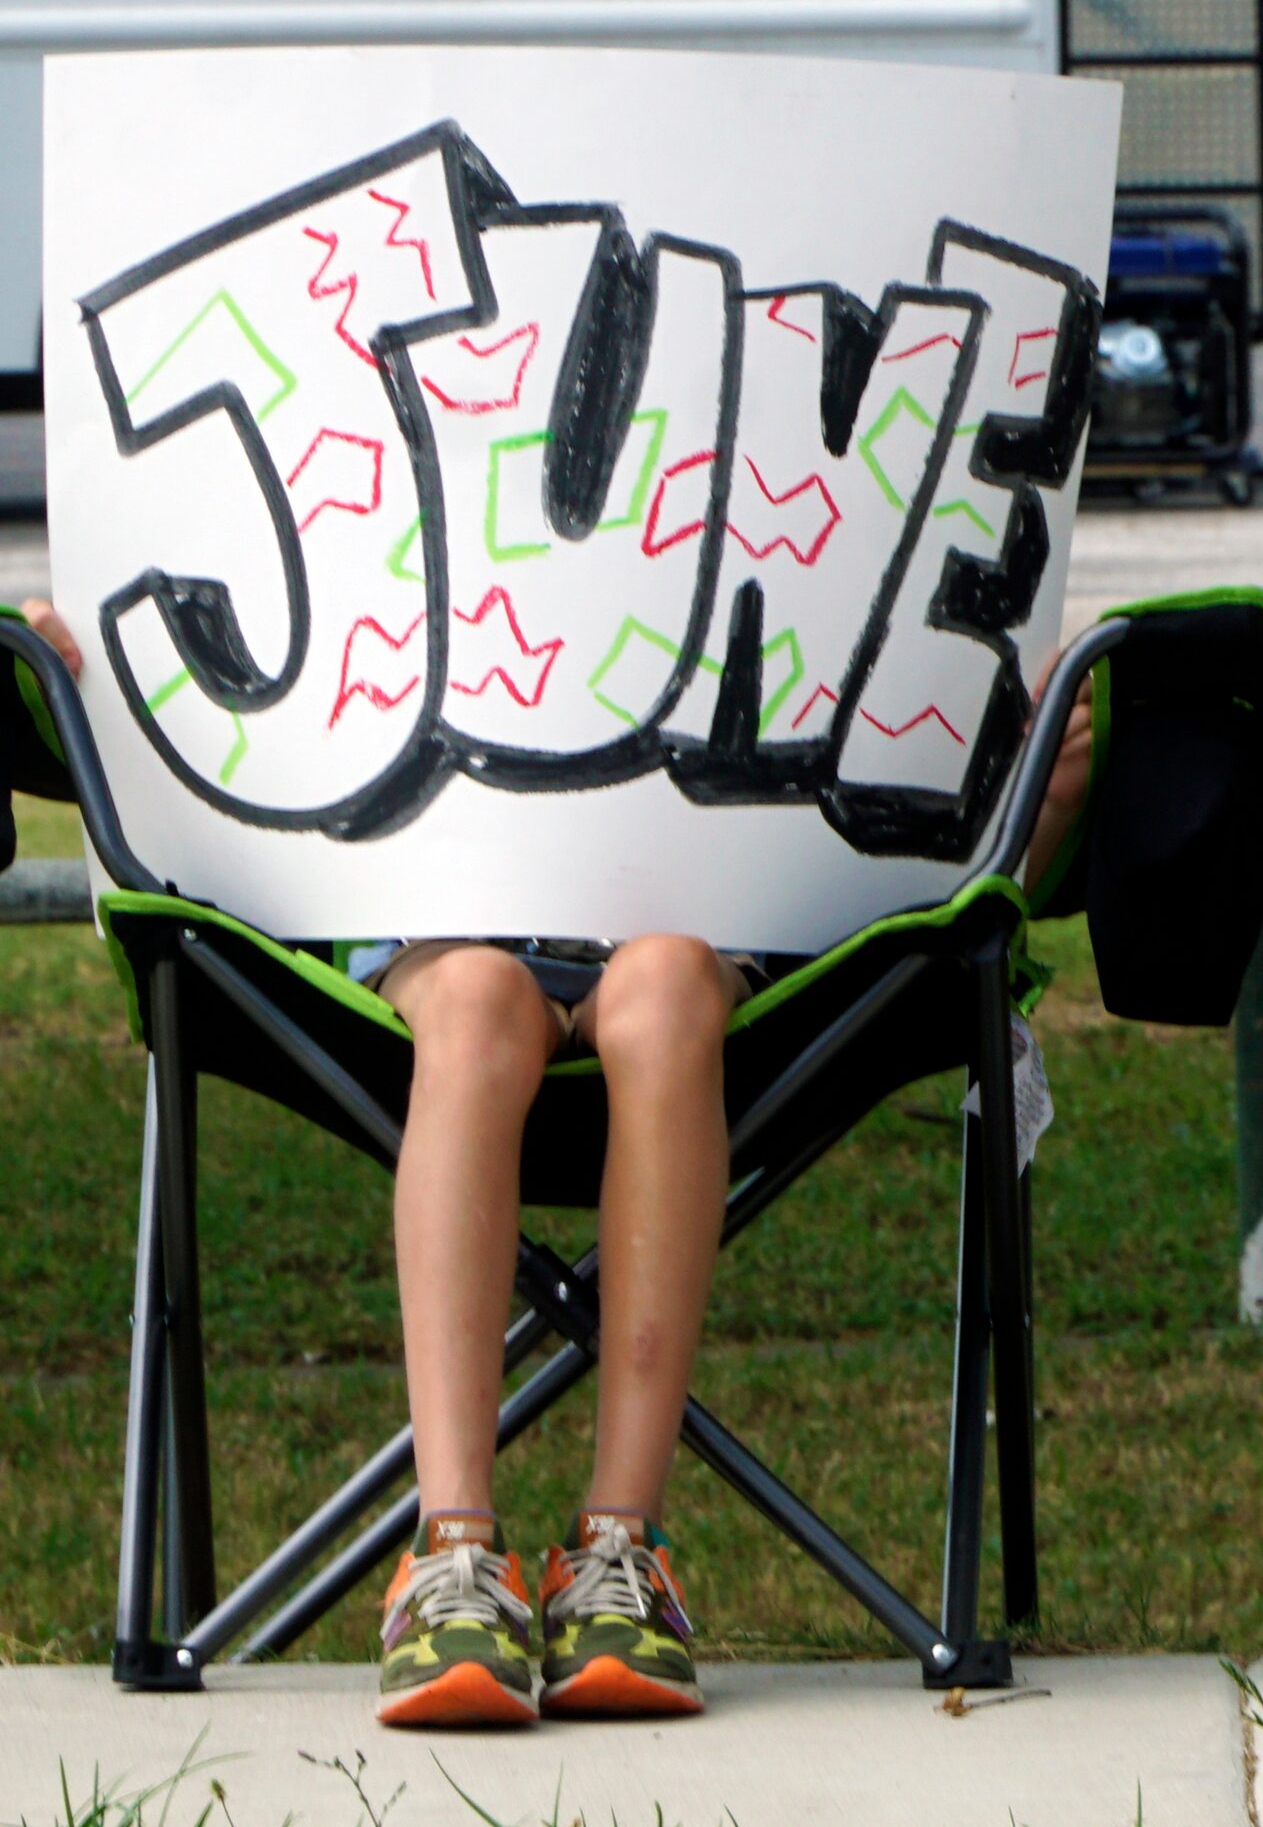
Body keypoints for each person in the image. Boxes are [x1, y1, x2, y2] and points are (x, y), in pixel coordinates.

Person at [19, 594, 1090, 1727]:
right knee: (476, 1000)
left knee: (669, 985)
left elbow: (954, 881)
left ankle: (621, 1546)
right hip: (433, 912)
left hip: (714, 920)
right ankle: (451, 1554)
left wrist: (1034, 785)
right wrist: (74, 671)